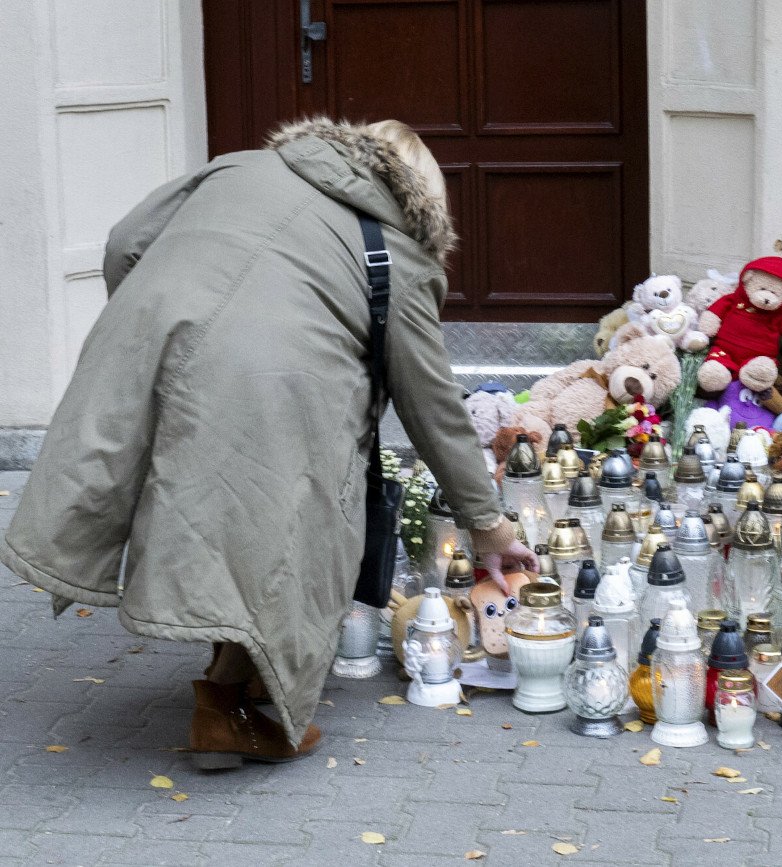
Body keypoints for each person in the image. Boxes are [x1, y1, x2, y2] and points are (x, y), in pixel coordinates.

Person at [0, 117, 537, 768]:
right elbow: (433, 404)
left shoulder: (236, 166)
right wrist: (487, 524)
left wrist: (161, 322)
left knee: (206, 510)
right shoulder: (397, 249)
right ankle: (226, 709)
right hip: (280, 384)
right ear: (421, 197)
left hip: (150, 345)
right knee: (292, 532)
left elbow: (123, 244)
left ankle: (231, 686)